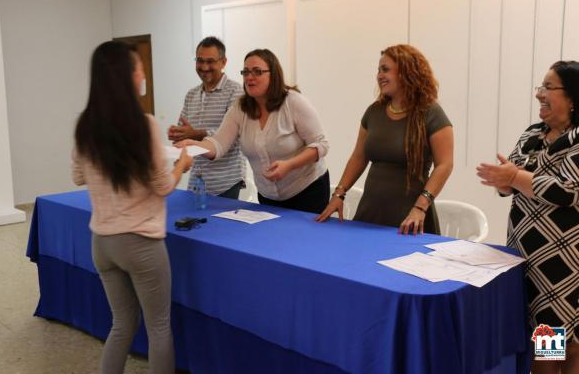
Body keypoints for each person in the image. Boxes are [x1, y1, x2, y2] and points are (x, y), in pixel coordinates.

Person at [72, 41, 193, 374]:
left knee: (121, 324)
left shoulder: (85, 125)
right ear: (126, 75)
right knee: (158, 327)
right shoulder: (145, 124)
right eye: (139, 67)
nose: (143, 74)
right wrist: (181, 165)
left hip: (102, 242)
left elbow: (78, 176)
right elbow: (163, 186)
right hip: (140, 242)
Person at [477, 60, 579, 374]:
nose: (539, 95)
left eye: (549, 87)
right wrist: (505, 181)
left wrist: (515, 176)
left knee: (552, 343)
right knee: (554, 338)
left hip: (560, 267)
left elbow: (565, 191)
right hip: (523, 256)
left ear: (573, 97)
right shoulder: (533, 133)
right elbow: (511, 185)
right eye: (540, 87)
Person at [316, 44, 453, 235]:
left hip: (410, 214)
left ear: (407, 72)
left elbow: (444, 165)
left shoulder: (431, 113)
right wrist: (339, 194)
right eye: (379, 70)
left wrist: (421, 207)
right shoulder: (374, 111)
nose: (379, 75)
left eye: (386, 69)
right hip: (371, 210)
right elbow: (358, 157)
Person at [177, 48, 330, 214]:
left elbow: (321, 144)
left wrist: (290, 165)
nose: (249, 77)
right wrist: (195, 146)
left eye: (257, 72)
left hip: (307, 191)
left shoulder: (292, 102)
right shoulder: (240, 108)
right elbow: (219, 143)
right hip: (268, 196)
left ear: (273, 75)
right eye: (246, 72)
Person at [168, 36, 245, 198]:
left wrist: (193, 134)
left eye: (210, 61)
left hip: (225, 182)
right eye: (200, 61)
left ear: (223, 62)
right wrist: (177, 135)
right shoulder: (192, 94)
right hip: (197, 181)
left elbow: (231, 135)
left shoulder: (235, 91)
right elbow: (185, 133)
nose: (204, 67)